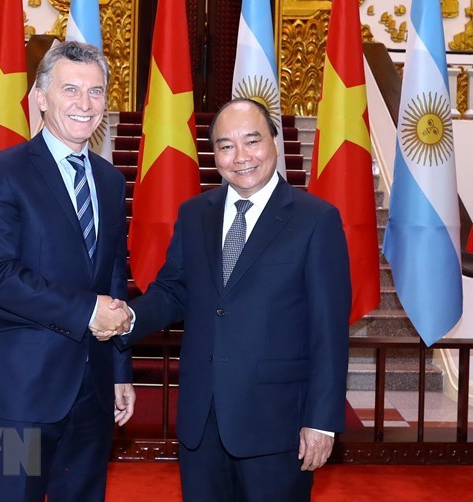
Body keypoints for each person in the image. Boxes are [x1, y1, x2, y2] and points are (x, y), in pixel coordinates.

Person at [99, 98, 351, 500]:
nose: (241, 157)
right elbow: (173, 290)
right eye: (226, 146)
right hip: (202, 420)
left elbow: (329, 330)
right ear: (213, 154)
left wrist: (321, 421)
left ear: (274, 140)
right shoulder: (195, 212)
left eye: (252, 141)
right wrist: (128, 318)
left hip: (278, 422)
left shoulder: (315, 219)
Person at [0, 41, 135, 502]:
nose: (85, 103)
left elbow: (114, 279)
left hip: (93, 391)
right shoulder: (3, 170)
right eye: (71, 89)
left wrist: (119, 369)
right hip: (18, 392)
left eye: (96, 92)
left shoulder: (111, 181)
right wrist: (85, 311)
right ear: (41, 97)